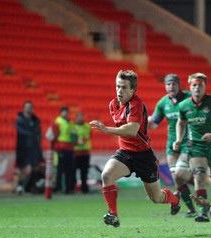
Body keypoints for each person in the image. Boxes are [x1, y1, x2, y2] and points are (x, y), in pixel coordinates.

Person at [89, 70, 181, 228]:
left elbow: (131, 131)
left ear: (133, 90)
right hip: (125, 154)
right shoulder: (113, 104)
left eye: (124, 87)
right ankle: (114, 215)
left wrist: (107, 129)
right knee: (107, 175)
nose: (119, 91)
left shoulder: (136, 105)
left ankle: (174, 200)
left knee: (156, 198)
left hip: (144, 156)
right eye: (118, 86)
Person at [173, 72, 211, 222]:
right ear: (190, 87)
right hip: (196, 146)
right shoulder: (184, 105)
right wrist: (179, 139)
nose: (197, 87)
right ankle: (202, 211)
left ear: (205, 86)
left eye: (200, 85)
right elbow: (181, 122)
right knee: (199, 174)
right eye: (194, 85)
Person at [148, 73, 196, 217]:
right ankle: (191, 209)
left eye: (173, 83)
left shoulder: (189, 97)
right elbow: (154, 124)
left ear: (178, 84)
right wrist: (142, 121)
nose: (171, 86)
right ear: (165, 86)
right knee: (176, 177)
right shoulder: (163, 103)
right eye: (168, 84)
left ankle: (200, 186)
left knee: (180, 174)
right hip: (172, 143)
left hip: (187, 141)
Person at [15, 101, 45, 194]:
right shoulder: (20, 120)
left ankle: (29, 186)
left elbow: (39, 132)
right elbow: (21, 132)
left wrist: (38, 142)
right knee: (24, 169)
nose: (28, 109)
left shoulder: (35, 120)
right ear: (24, 108)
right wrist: (32, 135)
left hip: (34, 148)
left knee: (35, 168)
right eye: (27, 107)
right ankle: (20, 186)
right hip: (23, 148)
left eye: (30, 107)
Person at [49, 106, 77, 194]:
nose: (65, 114)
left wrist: (74, 142)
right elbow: (55, 135)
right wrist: (56, 147)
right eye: (64, 112)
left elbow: (74, 134)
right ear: (61, 113)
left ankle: (68, 188)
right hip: (61, 147)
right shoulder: (57, 122)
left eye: (66, 112)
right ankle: (58, 187)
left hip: (70, 148)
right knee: (60, 169)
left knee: (69, 169)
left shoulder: (70, 123)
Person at [74, 112, 91, 193]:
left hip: (85, 152)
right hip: (76, 152)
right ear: (76, 118)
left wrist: (83, 141)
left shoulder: (87, 126)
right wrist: (77, 142)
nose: (80, 119)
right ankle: (72, 187)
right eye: (79, 117)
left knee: (84, 172)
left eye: (82, 117)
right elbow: (72, 137)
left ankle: (84, 188)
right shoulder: (73, 126)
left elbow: (88, 136)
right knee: (73, 171)